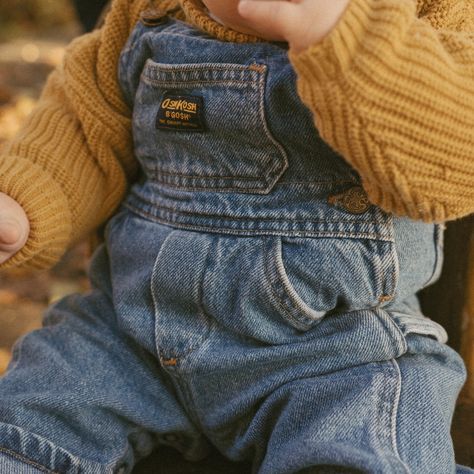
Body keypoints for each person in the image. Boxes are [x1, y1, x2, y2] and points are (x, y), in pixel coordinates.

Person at [0, 0, 473, 472]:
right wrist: (21, 204)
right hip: (130, 331)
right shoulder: (148, 11)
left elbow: (455, 157)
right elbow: (83, 128)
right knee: (27, 416)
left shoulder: (432, 10)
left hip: (337, 351)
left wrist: (349, 38)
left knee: (373, 441)